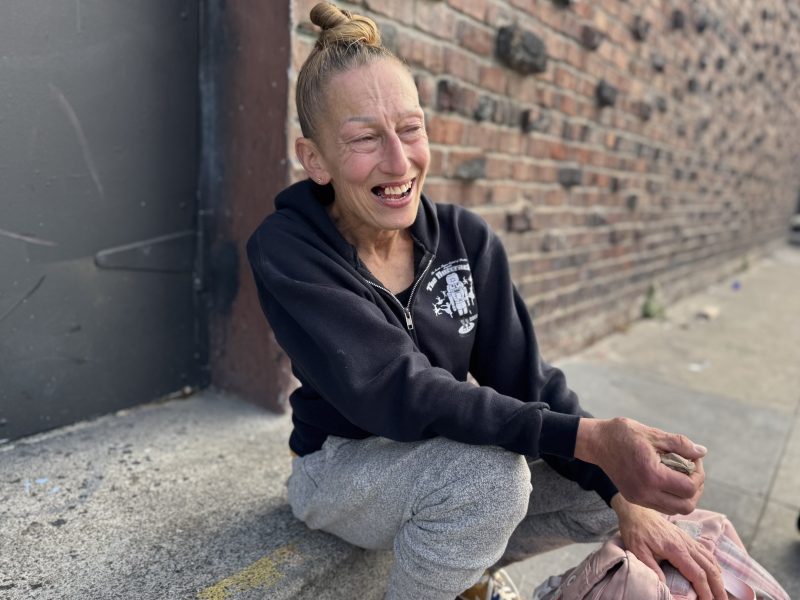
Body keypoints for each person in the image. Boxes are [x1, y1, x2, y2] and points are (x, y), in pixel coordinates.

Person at [247, 3, 727, 599]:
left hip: (442, 458)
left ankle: (469, 574)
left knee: (619, 485)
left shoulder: (465, 239)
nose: (399, 161)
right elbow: (397, 390)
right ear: (314, 159)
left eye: (411, 129)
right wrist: (588, 439)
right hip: (340, 467)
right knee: (491, 480)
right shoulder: (288, 249)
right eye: (365, 138)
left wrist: (620, 489)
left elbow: (528, 382)